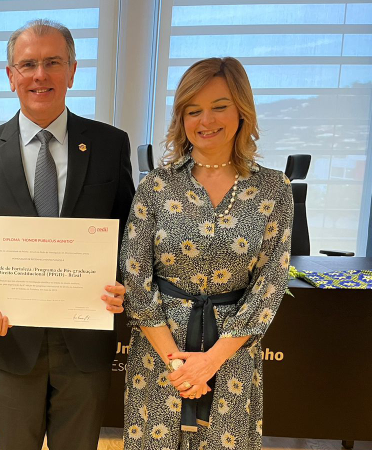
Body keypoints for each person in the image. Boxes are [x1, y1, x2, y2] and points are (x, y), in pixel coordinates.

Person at [0, 19, 135, 450]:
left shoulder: (109, 145)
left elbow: (128, 232)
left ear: (72, 70)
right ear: (10, 75)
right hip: (6, 338)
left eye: (52, 62)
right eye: (27, 64)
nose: (40, 75)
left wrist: (125, 279)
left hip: (84, 339)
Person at [120, 57, 293, 450]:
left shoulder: (274, 189)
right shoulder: (157, 187)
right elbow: (135, 276)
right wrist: (178, 364)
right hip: (160, 353)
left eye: (220, 106)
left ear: (241, 110)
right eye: (193, 110)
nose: (206, 120)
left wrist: (210, 361)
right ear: (181, 118)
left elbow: (270, 283)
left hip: (231, 354)